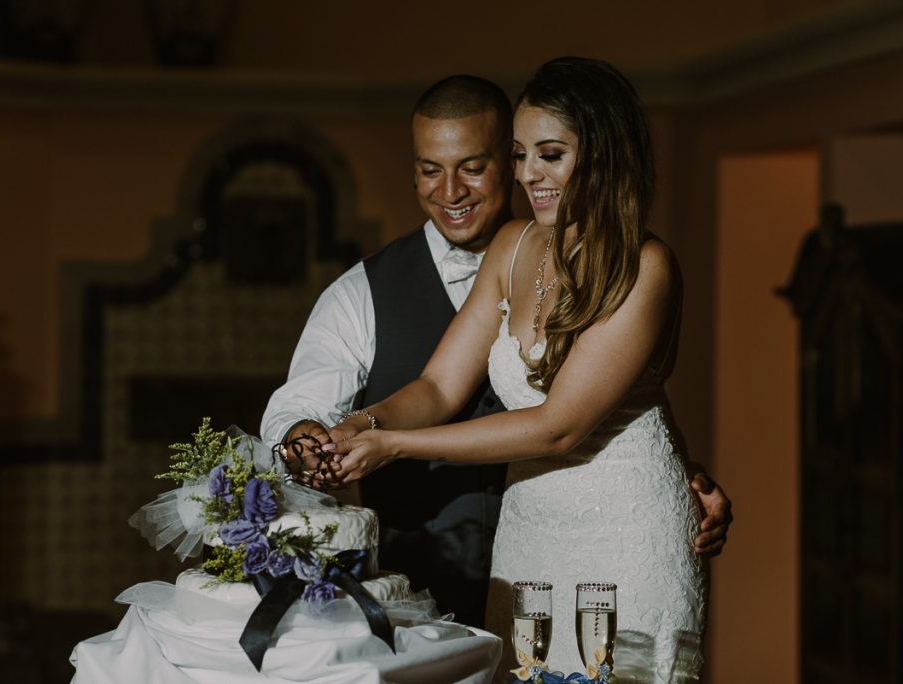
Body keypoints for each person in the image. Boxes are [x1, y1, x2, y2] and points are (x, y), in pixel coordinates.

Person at [262, 73, 730, 636]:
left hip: (622, 532)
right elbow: (435, 386)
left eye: (548, 154)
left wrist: (390, 445)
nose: (529, 173)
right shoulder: (503, 250)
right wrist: (353, 428)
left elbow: (565, 425)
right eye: (521, 155)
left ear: (601, 157)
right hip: (507, 539)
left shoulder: (642, 264)